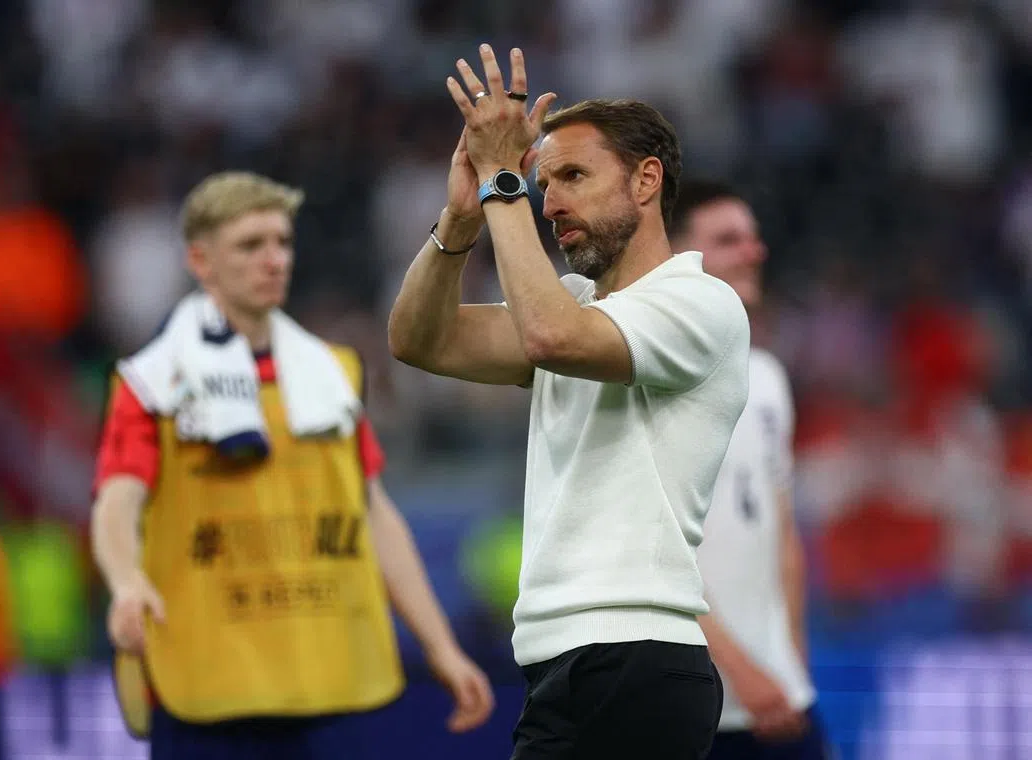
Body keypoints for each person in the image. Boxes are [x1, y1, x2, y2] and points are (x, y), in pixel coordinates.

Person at [388, 45, 751, 759]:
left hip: (629, 655)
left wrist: (502, 182)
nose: (548, 202)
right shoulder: (573, 305)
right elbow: (416, 340)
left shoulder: (700, 303)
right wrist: (460, 222)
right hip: (584, 663)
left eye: (574, 176)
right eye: (540, 180)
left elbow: (553, 335)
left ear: (648, 181)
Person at [90, 171, 494, 760]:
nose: (274, 260)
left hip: (318, 675)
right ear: (200, 261)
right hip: (207, 679)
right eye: (250, 246)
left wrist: (440, 646)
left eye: (281, 242)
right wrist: (126, 582)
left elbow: (373, 513)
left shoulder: (332, 372)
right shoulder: (152, 384)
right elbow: (116, 500)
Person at [669, 180, 831, 759]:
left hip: (782, 699)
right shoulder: (656, 384)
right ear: (679, 258)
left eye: (755, 238)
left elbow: (783, 538)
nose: (755, 251)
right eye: (730, 239)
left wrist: (789, 661)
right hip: (700, 710)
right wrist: (741, 674)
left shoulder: (766, 378)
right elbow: (655, 554)